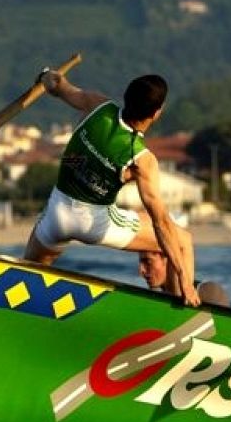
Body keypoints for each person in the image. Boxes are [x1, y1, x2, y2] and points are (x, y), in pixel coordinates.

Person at [24, 70, 198, 305]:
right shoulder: (142, 159)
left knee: (27, 274)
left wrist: (47, 77)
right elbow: (161, 223)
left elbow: (60, 86)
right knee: (182, 240)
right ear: (157, 113)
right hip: (94, 223)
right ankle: (181, 311)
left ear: (126, 97)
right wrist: (185, 280)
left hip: (56, 213)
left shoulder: (98, 106)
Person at [137, 251, 229, 306]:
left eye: (148, 262)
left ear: (168, 258)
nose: (141, 271)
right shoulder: (155, 301)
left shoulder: (210, 291)